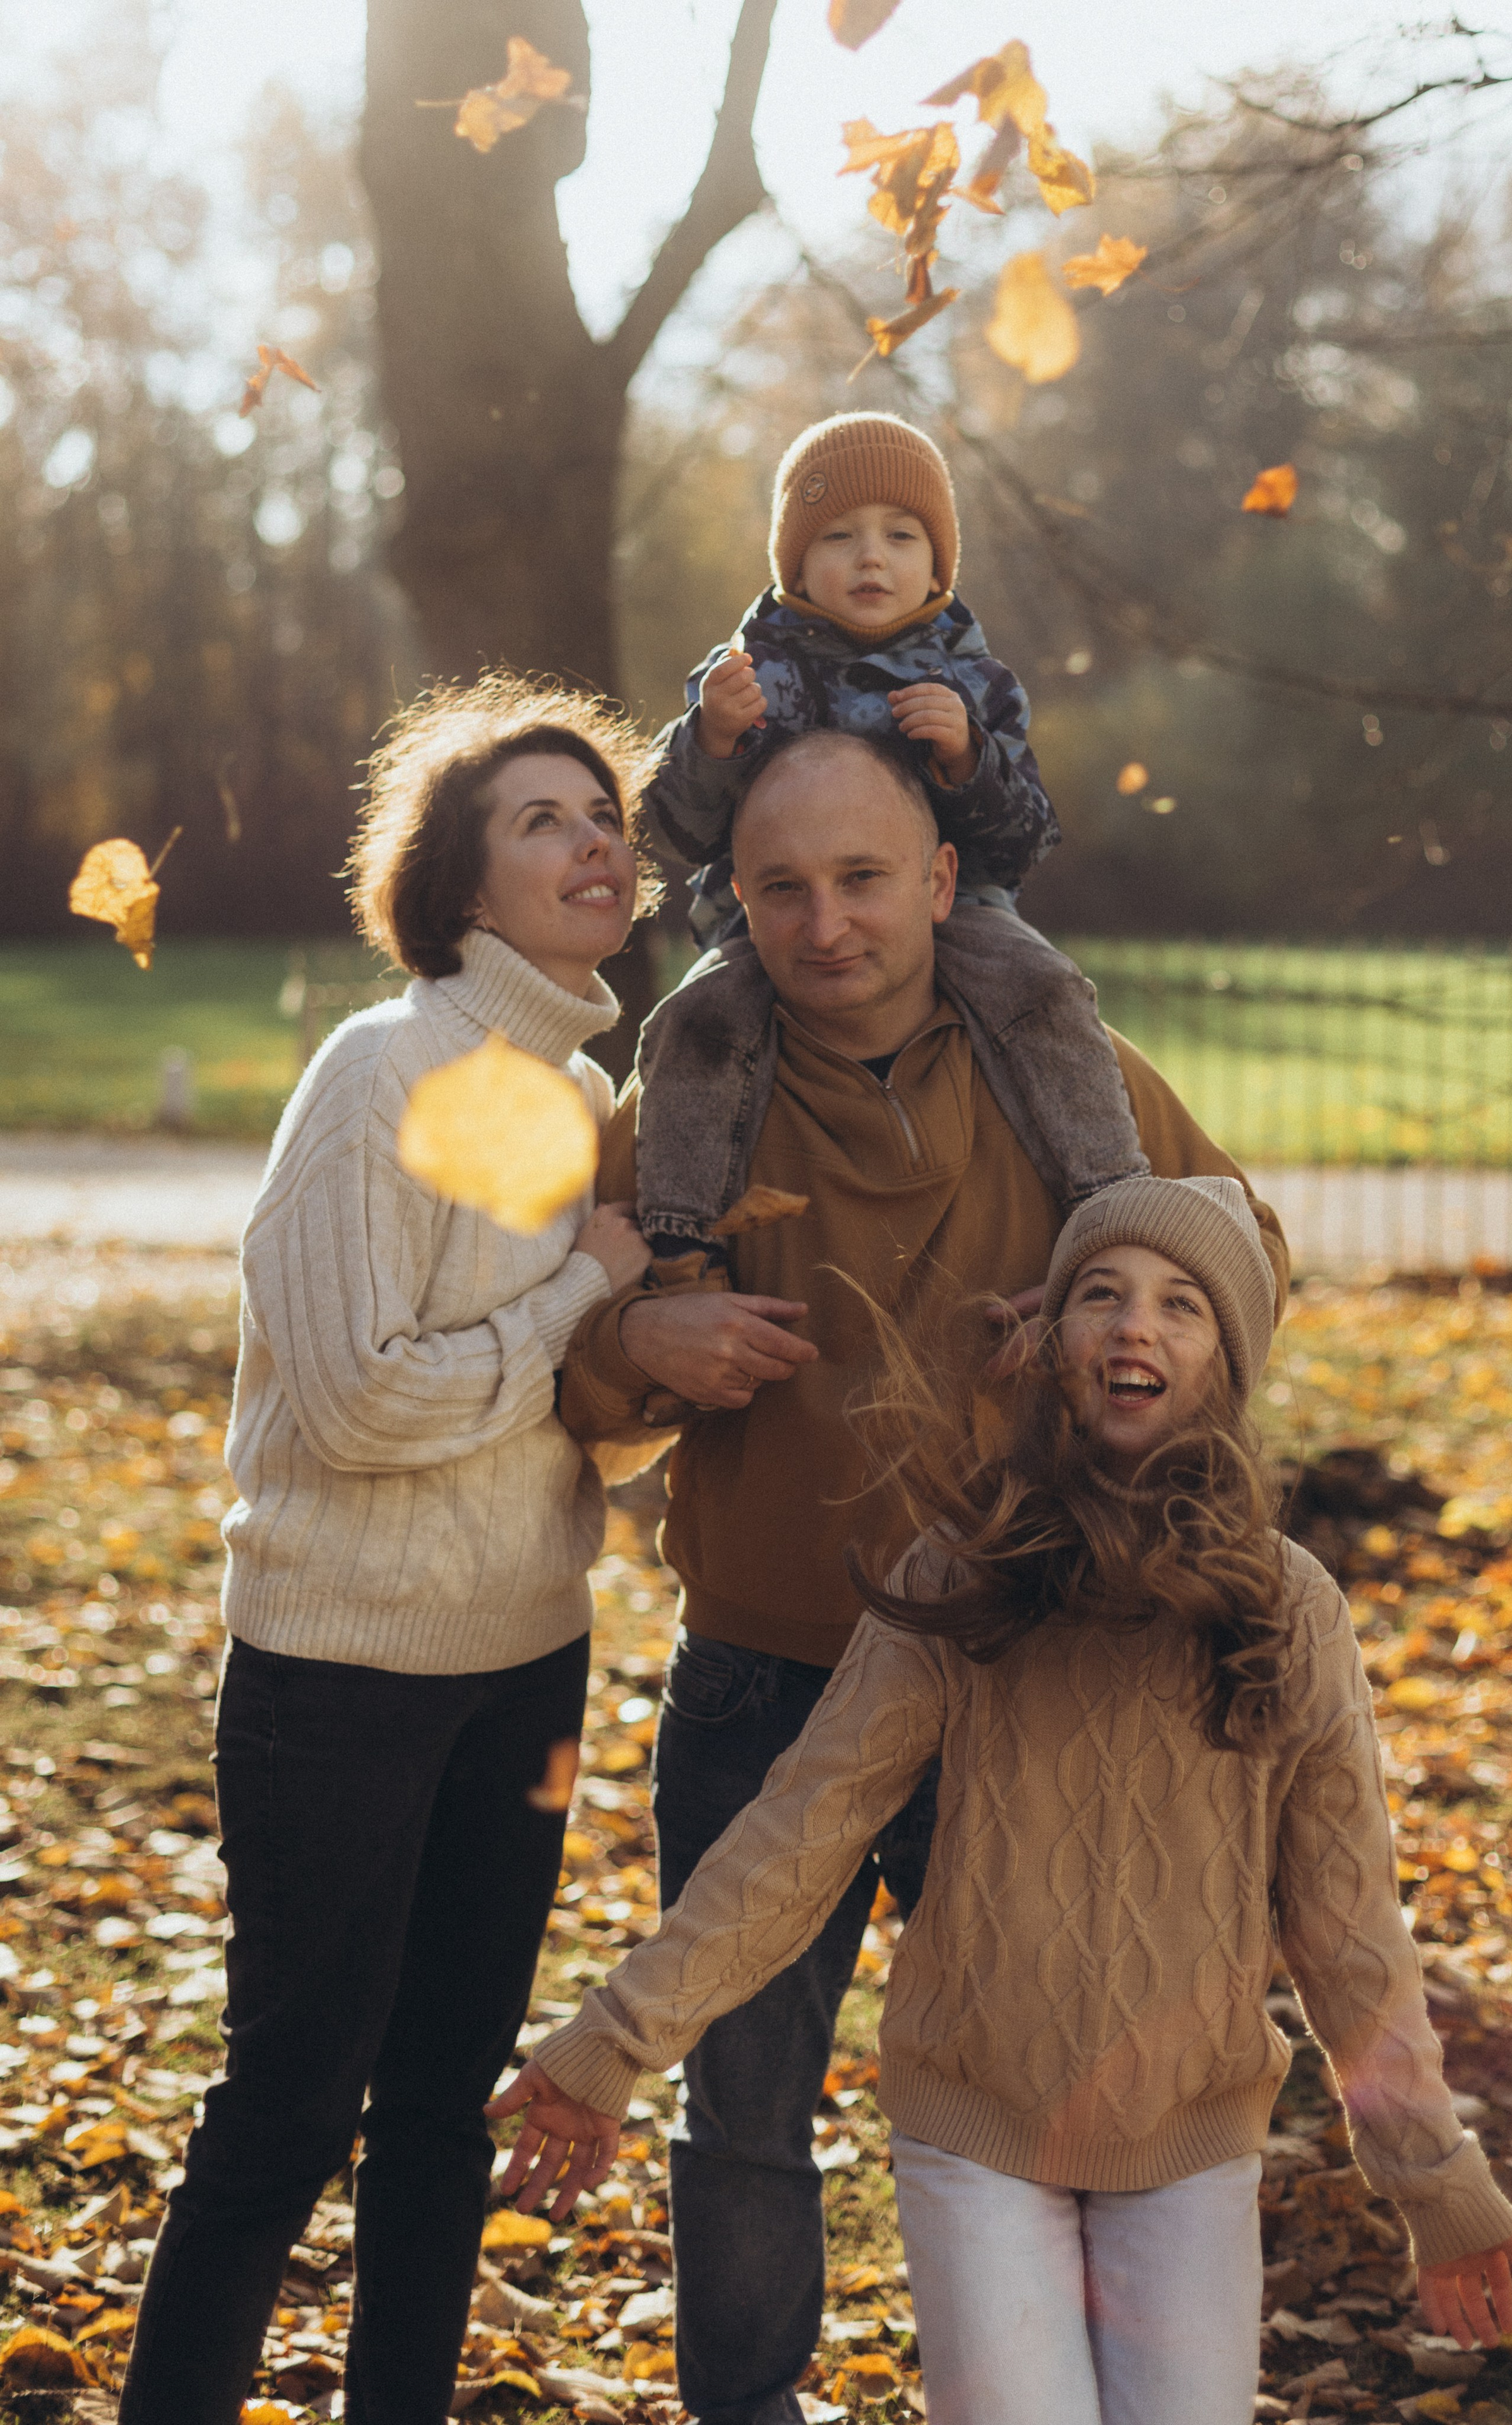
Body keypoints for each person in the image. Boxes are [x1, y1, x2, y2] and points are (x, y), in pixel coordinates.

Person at [492, 1173, 1512, 2425]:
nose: (1133, 1324)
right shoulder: (960, 1571)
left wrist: (1434, 2178)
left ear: (1228, 1363)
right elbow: (801, 1831)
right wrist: (614, 2038)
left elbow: (1346, 1924)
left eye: (1179, 1305)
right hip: (976, 2122)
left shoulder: (1287, 1604)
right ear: (1055, 1348)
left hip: (1190, 2134)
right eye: (1098, 1292)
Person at [554, 723, 1292, 2425]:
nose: (827, 925)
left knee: (1064, 2076)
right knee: (743, 2092)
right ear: (734, 907)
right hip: (768, 1673)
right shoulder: (689, 1108)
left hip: (1022, 1665)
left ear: (945, 880)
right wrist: (646, 1331)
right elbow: (572, 1375)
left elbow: (1241, 1246)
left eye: (865, 879)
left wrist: (1113, 1317)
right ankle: (748, 2400)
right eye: (781, 891)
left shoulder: (1062, 1071)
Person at [116, 674, 657, 2425]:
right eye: (544, 818)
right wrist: (589, 1291)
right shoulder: (383, 1071)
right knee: (290, 2105)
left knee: (444, 2106)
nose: (594, 842)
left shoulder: (582, 1101)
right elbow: (359, 1407)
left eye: (608, 816)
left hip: (526, 1667)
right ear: (459, 880)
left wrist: (664, 1373)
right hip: (341, 1672)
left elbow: (554, 1410)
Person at [633, 410, 1148, 1262]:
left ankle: (1107, 1196)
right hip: (771, 925)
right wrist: (709, 741)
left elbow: (1023, 842)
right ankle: (685, 1240)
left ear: (938, 562)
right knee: (695, 1023)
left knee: (1046, 990)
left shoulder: (976, 684)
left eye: (901, 535)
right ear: (793, 560)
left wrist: (966, 760)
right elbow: (671, 830)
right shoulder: (742, 675)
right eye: (838, 535)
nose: (871, 557)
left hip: (959, 914)